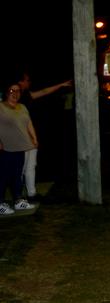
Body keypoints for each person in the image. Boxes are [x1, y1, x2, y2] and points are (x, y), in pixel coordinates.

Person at [17, 72, 72, 201]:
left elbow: (44, 91)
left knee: (31, 164)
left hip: (30, 134)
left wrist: (61, 84)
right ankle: (18, 195)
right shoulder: (14, 96)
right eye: (27, 80)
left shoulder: (25, 95)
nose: (29, 82)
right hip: (20, 135)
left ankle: (31, 193)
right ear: (20, 81)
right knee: (21, 165)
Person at [0, 82, 38, 215]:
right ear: (6, 92)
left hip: (21, 147)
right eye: (12, 91)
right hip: (6, 148)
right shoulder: (1, 107)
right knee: (3, 176)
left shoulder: (22, 107)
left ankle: (18, 200)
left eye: (18, 91)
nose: (15, 94)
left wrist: (34, 138)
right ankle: (0, 203)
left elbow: (28, 123)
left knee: (17, 175)